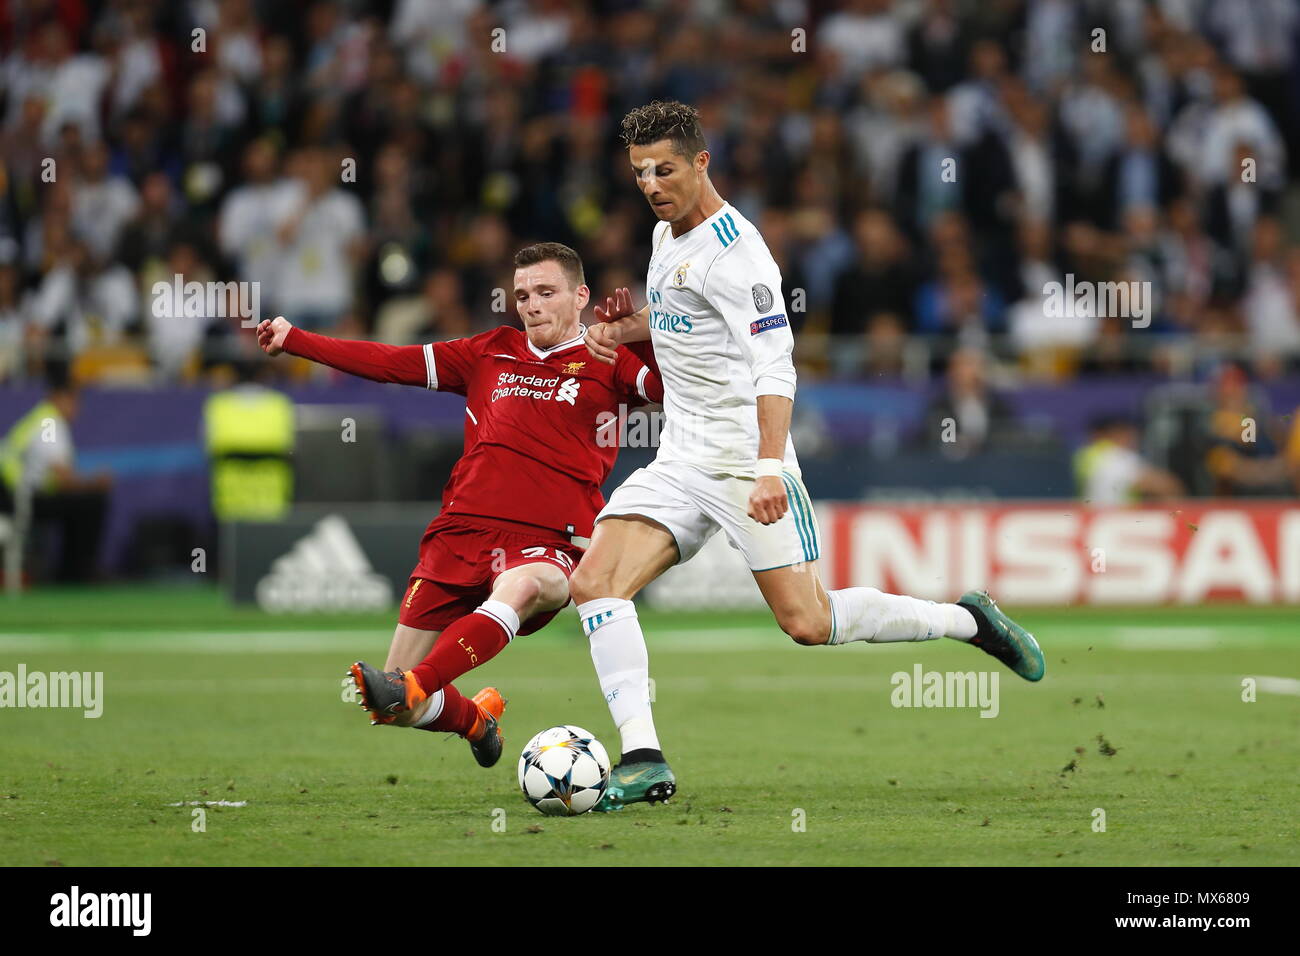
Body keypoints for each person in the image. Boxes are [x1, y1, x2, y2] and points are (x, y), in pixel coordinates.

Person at [574, 101, 1046, 811]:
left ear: (702, 162)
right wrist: (625, 330)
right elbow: (679, 317)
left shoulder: (742, 257)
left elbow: (776, 365)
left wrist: (768, 467)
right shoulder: (665, 233)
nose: (649, 183)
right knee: (595, 583)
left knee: (808, 623)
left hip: (742, 461)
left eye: (663, 169)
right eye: (639, 172)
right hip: (679, 458)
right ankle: (643, 757)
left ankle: (970, 621)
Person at [256, 242, 662, 769]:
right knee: (392, 709)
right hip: (458, 534)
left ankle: (419, 682)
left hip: (549, 540)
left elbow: (667, 389)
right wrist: (297, 340)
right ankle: (476, 720)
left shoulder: (608, 357)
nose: (532, 304)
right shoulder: (489, 351)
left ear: (580, 295)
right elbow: (389, 363)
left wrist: (643, 333)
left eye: (546, 292)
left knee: (522, 589)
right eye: (522, 295)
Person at [0, 367, 111, 583]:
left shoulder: (43, 419)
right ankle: (78, 573)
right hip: (18, 498)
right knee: (92, 503)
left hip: (19, 494)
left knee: (83, 503)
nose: (77, 408)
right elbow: (63, 478)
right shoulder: (49, 424)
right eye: (74, 400)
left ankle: (73, 571)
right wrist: (94, 484)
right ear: (59, 398)